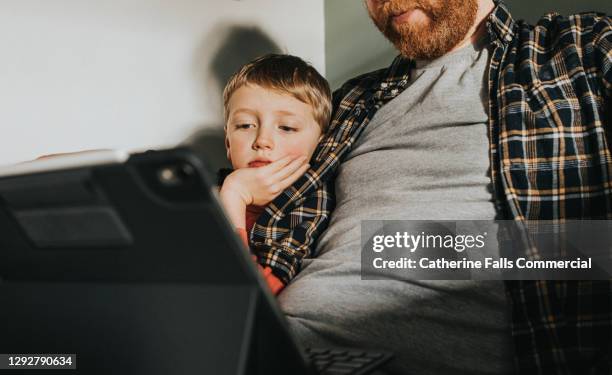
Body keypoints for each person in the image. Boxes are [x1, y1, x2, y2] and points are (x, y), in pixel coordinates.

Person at [247, 0, 612, 374]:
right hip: (283, 347)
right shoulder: (351, 102)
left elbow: (590, 253)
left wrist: (400, 247)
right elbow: (277, 229)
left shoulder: (582, 50)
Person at [217, 54, 332, 295]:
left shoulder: (309, 207)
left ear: (319, 144)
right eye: (245, 125)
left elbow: (251, 295)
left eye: (287, 128)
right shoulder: (207, 193)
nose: (262, 141)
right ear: (228, 141)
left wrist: (234, 196)